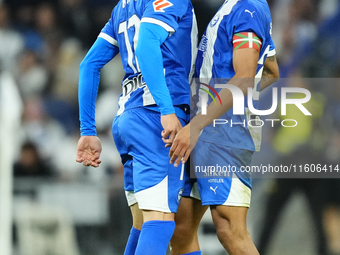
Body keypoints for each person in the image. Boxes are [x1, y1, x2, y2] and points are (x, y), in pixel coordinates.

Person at [75, 0, 198, 255]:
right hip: (155, 118)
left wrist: (88, 130)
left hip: (127, 117)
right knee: (161, 222)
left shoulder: (122, 7)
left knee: (142, 223)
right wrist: (166, 109)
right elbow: (146, 44)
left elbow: (89, 64)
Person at [168, 0, 279, 254]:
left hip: (223, 133)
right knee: (181, 227)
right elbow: (271, 71)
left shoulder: (247, 7)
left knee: (230, 229)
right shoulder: (234, 7)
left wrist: (199, 123)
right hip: (205, 128)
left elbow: (244, 78)